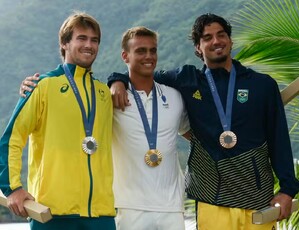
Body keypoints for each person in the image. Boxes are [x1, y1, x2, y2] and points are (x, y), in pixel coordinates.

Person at [106, 14, 299, 230]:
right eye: (207, 37)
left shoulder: (262, 85)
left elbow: (279, 139)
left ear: (230, 40)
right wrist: (117, 80)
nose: (216, 41)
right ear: (198, 47)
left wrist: (287, 190)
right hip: (211, 200)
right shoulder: (187, 80)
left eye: (221, 35)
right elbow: (143, 71)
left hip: (256, 198)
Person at [19, 26, 190, 230]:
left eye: (153, 50)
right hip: (126, 207)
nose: (148, 56)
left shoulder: (175, 97)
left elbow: (196, 135)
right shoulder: (110, 99)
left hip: (172, 207)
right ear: (125, 56)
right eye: (140, 51)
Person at [0, 11, 116, 230]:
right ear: (64, 43)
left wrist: (119, 81)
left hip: (101, 214)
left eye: (94, 40)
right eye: (81, 38)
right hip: (52, 214)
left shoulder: (104, 93)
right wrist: (12, 187)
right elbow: (12, 138)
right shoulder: (43, 86)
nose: (89, 45)